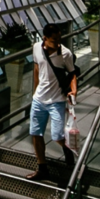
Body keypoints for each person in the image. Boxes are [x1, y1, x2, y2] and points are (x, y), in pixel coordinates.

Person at [26, 22, 78, 180]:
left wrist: (74, 90)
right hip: (39, 100)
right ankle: (42, 168)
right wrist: (35, 91)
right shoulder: (36, 48)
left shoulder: (65, 54)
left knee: (57, 136)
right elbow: (37, 69)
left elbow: (72, 73)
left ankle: (67, 148)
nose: (57, 43)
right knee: (36, 133)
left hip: (57, 100)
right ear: (45, 39)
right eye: (54, 40)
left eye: (59, 39)